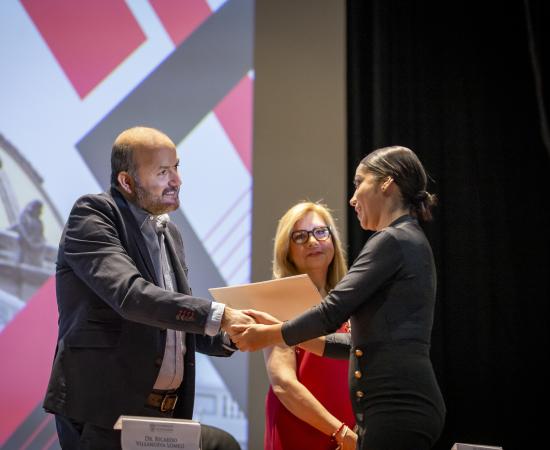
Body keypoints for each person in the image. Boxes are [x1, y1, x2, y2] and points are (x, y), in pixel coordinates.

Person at [43, 126, 252, 450]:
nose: (177, 181)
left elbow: (173, 324)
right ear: (127, 182)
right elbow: (131, 296)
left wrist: (230, 334)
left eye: (176, 168)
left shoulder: (170, 233)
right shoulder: (93, 215)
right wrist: (220, 315)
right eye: (163, 172)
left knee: (224, 445)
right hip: (104, 413)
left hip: (164, 412)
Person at [232, 146, 447, 450]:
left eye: (359, 183)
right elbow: (354, 344)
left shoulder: (391, 240)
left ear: (386, 183)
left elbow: (331, 312)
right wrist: (276, 329)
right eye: (300, 236)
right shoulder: (407, 238)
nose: (352, 198)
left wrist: (267, 335)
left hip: (396, 408)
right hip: (401, 408)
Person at [260, 202, 356, 450]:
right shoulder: (280, 303)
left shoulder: (348, 303)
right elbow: (283, 384)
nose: (313, 241)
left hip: (349, 437)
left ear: (332, 240)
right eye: (300, 236)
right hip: (300, 432)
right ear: (287, 250)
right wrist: (340, 432)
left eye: (321, 232)